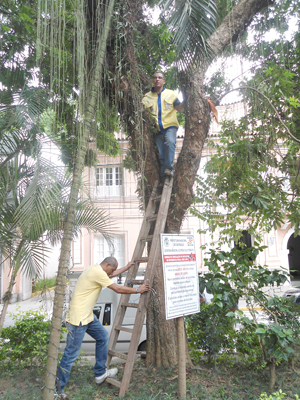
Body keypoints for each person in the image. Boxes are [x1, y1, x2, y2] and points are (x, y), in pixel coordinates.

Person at [55, 257, 150, 399]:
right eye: (112, 268)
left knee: (103, 337)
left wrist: (125, 268)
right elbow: (117, 289)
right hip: (78, 319)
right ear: (107, 265)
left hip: (87, 316)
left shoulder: (95, 269)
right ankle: (57, 390)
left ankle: (100, 373)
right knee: (70, 354)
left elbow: (110, 275)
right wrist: (138, 290)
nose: (111, 272)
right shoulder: (97, 273)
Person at [142, 71, 185, 181]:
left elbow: (179, 108)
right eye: (155, 77)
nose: (157, 79)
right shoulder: (147, 97)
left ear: (164, 81)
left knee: (170, 142)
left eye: (160, 77)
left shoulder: (171, 94)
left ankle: (168, 169)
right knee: (161, 154)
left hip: (170, 126)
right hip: (157, 129)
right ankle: (163, 177)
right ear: (153, 80)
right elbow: (144, 114)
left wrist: (186, 100)